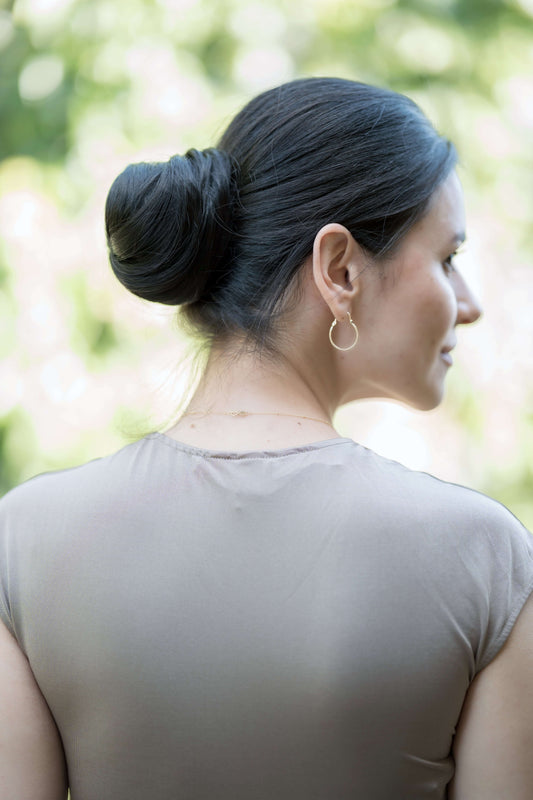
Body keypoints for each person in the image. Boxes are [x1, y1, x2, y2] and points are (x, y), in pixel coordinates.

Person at [1, 77, 532, 800]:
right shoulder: (486, 558)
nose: (468, 305)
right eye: (446, 259)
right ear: (339, 270)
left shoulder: (23, 544)